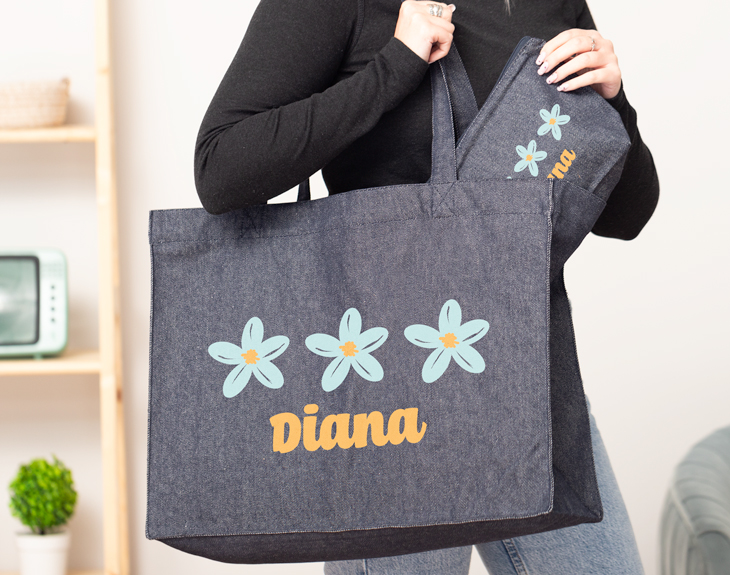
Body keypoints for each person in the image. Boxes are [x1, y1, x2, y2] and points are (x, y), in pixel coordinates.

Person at [194, 0, 659, 572]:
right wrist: (394, 67)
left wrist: (614, 102)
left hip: (527, 382)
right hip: (389, 397)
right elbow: (221, 171)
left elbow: (626, 217)